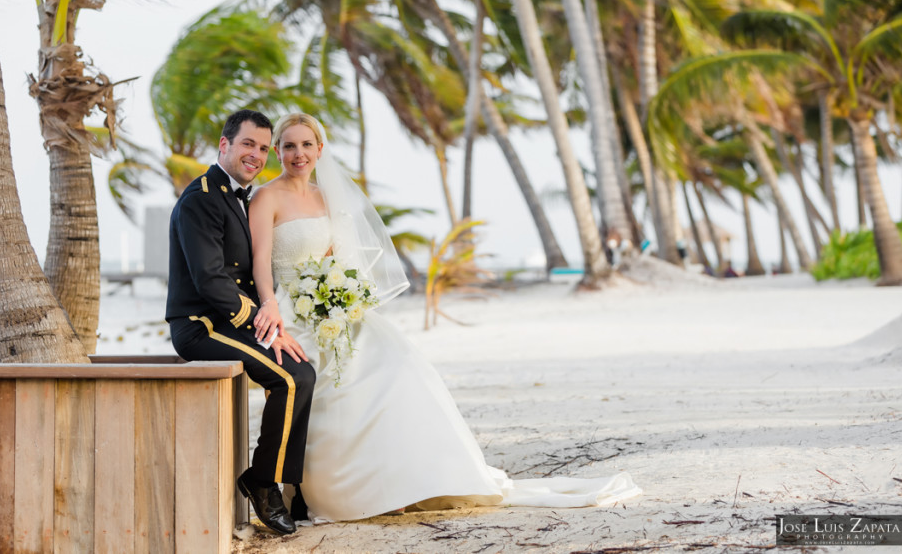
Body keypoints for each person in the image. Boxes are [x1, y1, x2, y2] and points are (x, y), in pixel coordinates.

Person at [247, 113, 641, 522]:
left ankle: (398, 480)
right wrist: (270, 304)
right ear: (277, 151)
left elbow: (336, 258)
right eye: (289, 146)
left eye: (306, 145)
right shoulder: (266, 198)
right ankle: (327, 491)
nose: (298, 154)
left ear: (320, 150)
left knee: (398, 366)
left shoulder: (326, 197)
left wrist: (345, 296)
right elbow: (261, 261)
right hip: (292, 310)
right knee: (329, 387)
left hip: (335, 306)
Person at [166, 109, 316, 536]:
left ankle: (287, 486)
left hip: (233, 322)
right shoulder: (201, 198)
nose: (257, 155)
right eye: (248, 144)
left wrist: (272, 318)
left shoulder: (240, 196)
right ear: (224, 144)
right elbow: (211, 280)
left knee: (302, 373)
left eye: (264, 148)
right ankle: (262, 482)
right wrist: (263, 320)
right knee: (290, 380)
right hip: (202, 325)